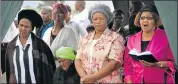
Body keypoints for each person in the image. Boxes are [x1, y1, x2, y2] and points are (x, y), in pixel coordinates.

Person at [124, 4, 176, 83]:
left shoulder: (167, 37)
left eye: (149, 18)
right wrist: (129, 81)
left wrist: (157, 65)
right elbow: (128, 66)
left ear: (155, 20)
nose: (145, 20)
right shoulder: (131, 40)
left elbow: (174, 64)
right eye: (142, 18)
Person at [75, 4, 125, 83]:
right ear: (91, 20)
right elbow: (78, 60)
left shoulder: (116, 38)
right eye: (95, 19)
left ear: (107, 19)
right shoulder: (85, 38)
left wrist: (92, 78)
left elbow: (113, 63)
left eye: (101, 18)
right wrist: (85, 77)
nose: (98, 21)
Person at [4, 9, 56, 84]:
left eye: (27, 26)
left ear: (32, 28)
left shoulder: (41, 46)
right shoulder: (11, 46)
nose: (23, 29)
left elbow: (49, 69)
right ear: (18, 25)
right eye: (21, 25)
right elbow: (10, 72)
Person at [42, 2, 78, 67]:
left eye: (61, 13)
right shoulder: (48, 31)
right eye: (55, 13)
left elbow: (74, 52)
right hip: (46, 67)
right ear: (52, 15)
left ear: (65, 16)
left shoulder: (69, 31)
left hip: (61, 68)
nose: (57, 16)